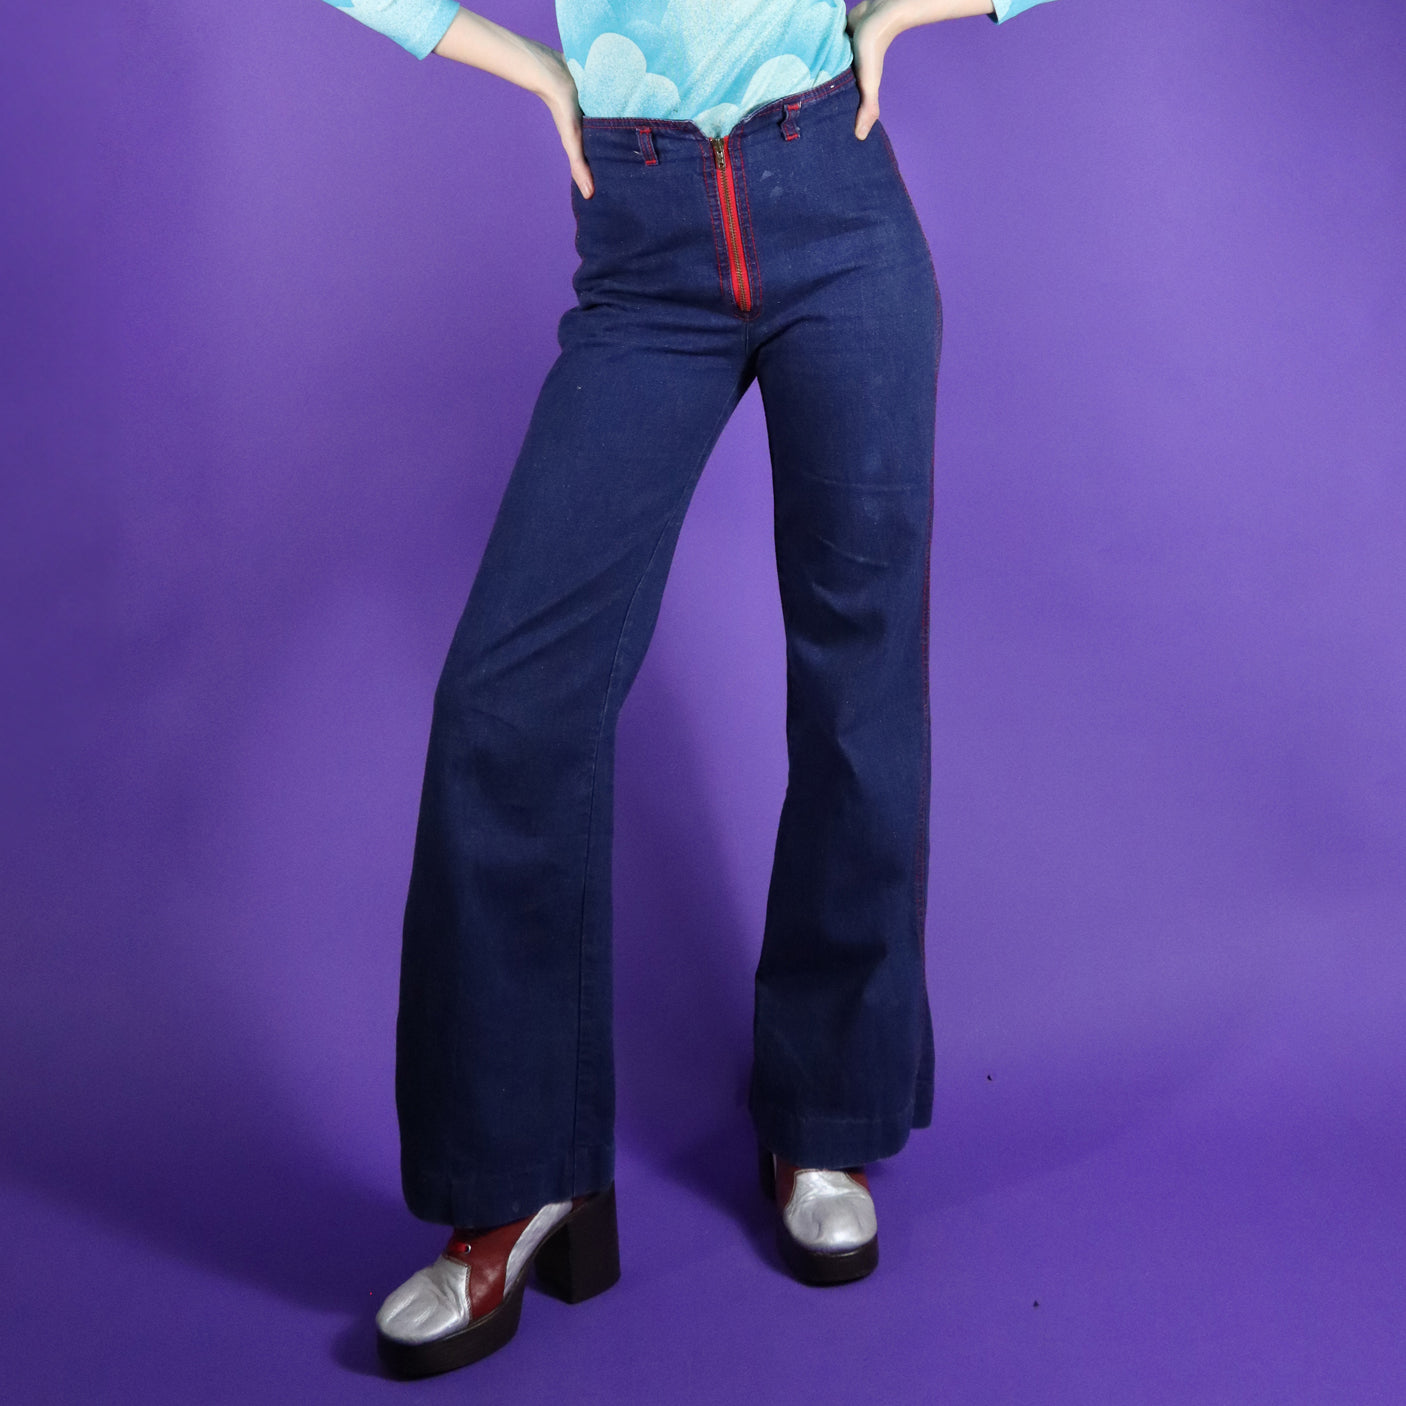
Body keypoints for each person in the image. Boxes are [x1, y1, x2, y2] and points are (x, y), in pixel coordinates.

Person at [319, 0, 1058, 1379]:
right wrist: (537, 72)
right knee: (504, 704)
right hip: (643, 247)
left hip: (836, 209)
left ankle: (825, 1115)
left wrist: (898, 11)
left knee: (858, 695)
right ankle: (517, 1180)